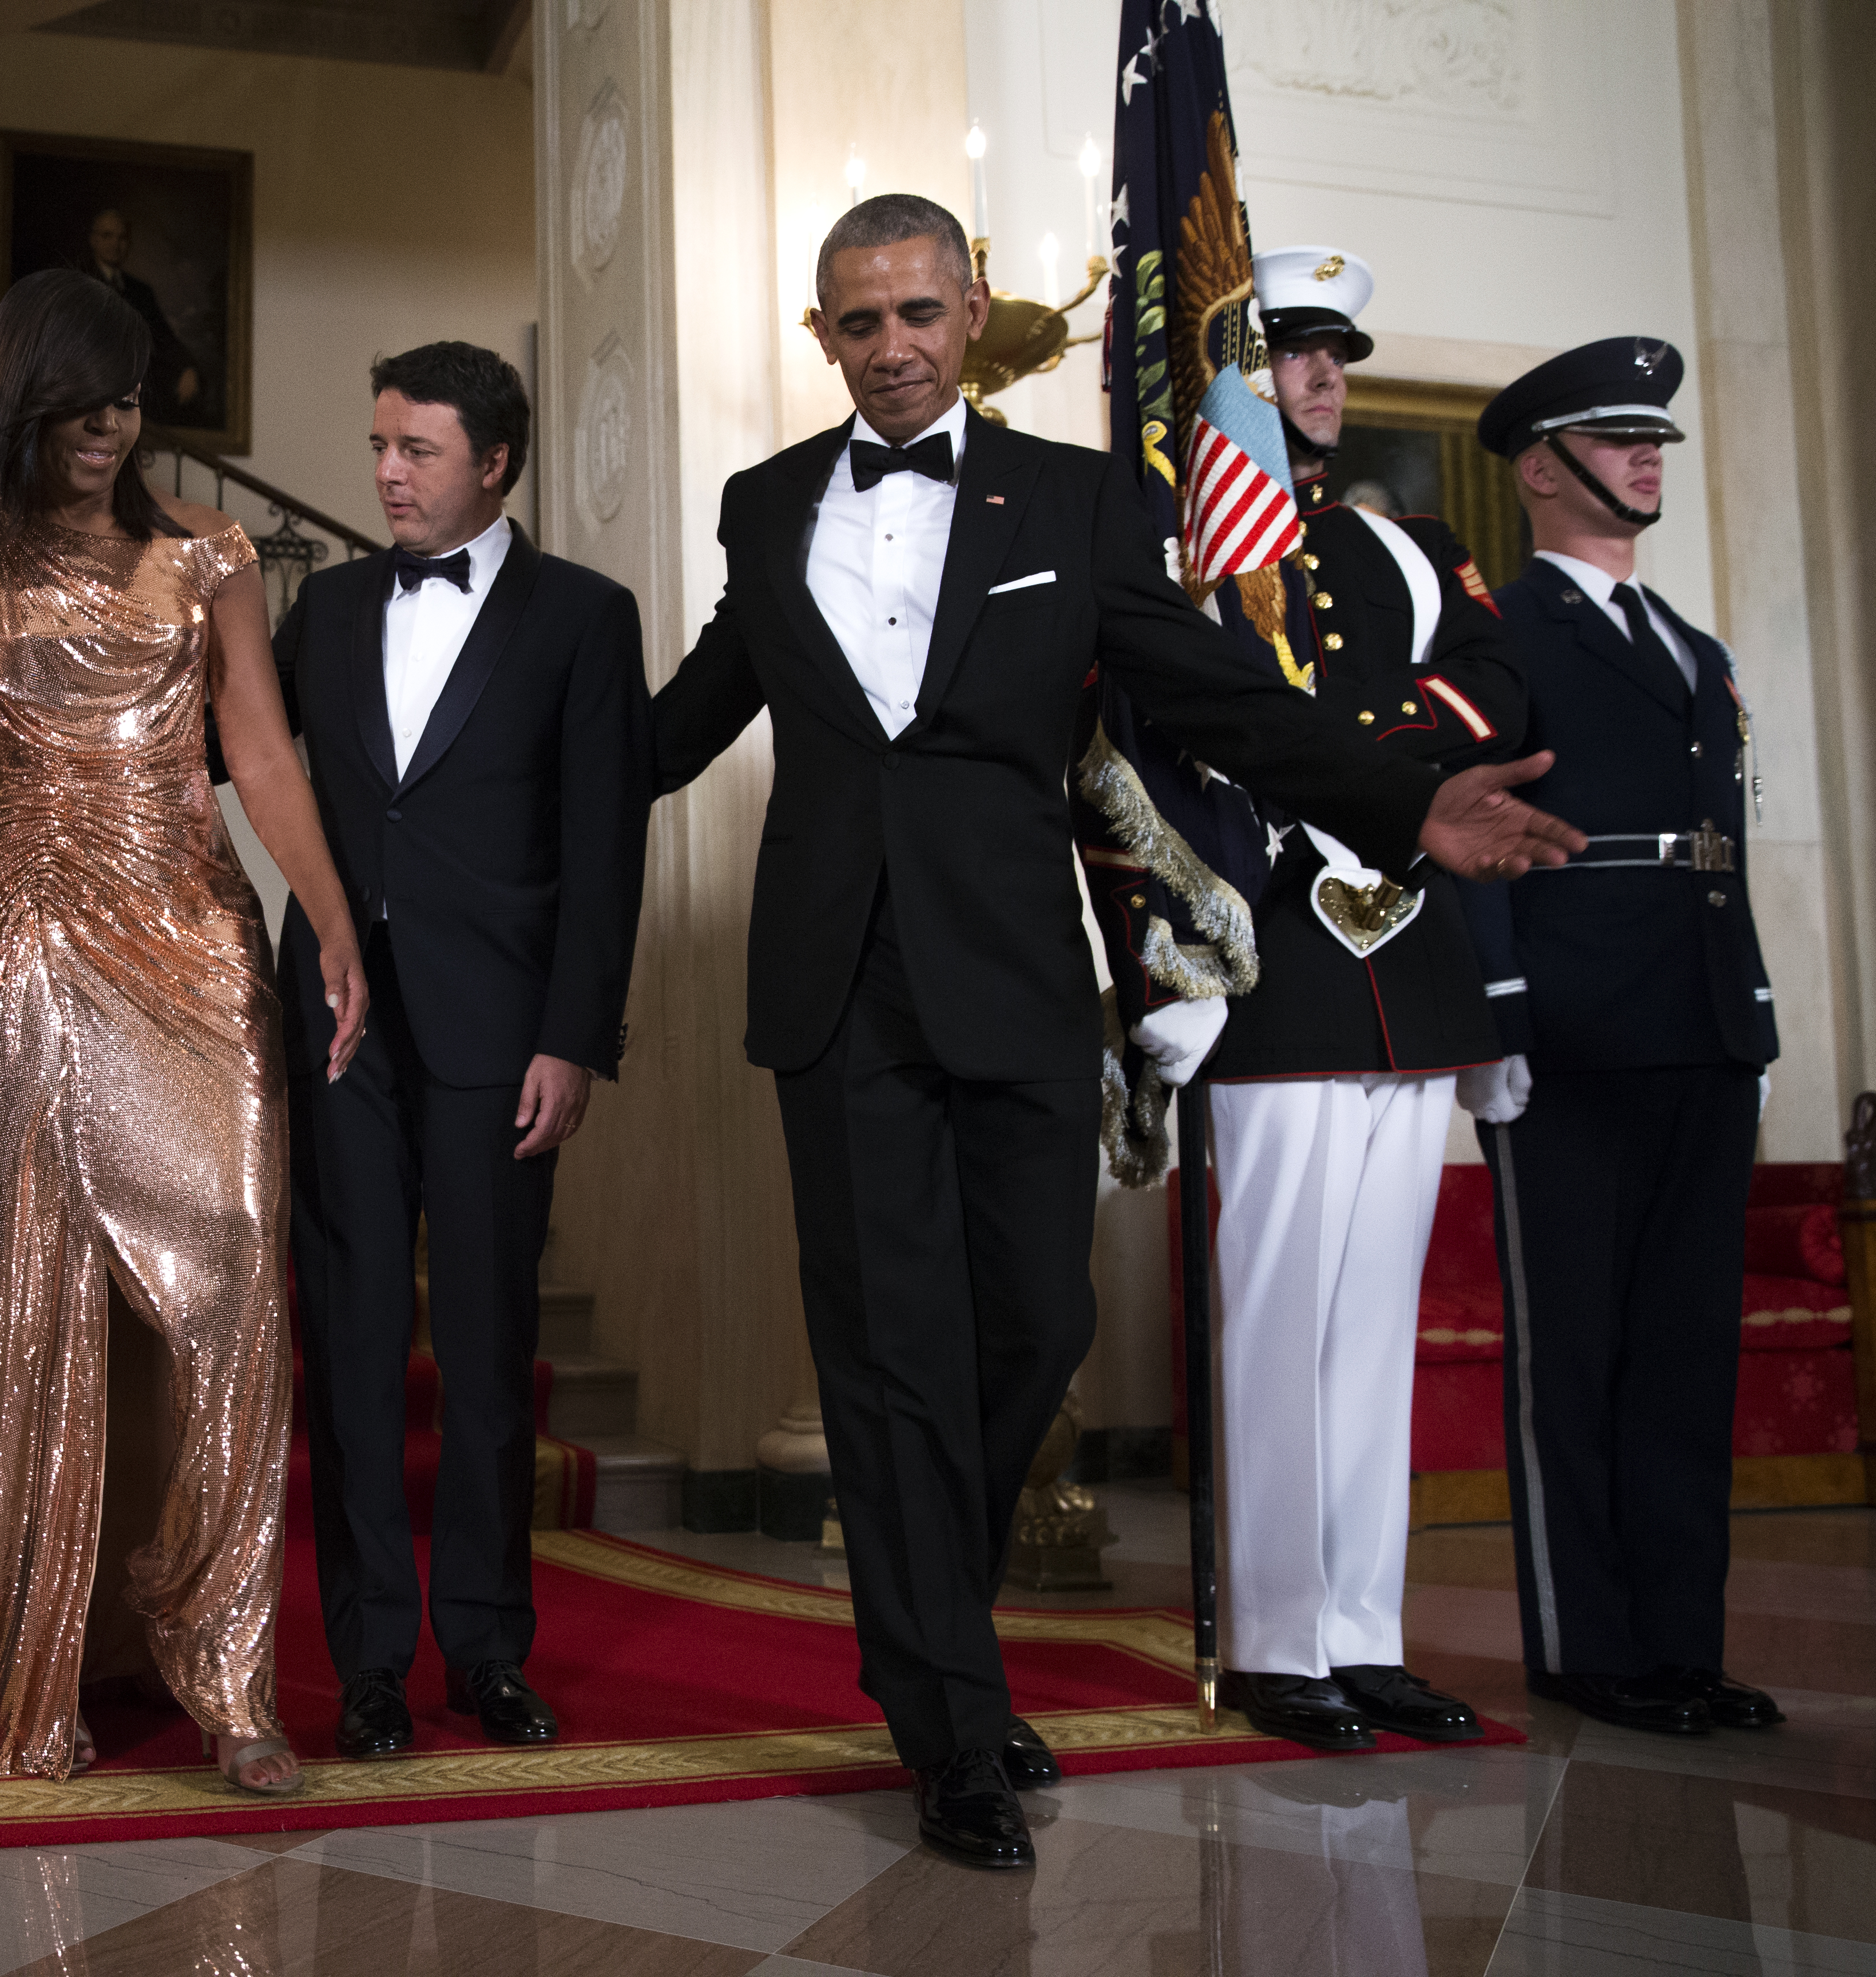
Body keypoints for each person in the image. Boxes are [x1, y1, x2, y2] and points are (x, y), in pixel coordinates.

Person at [649, 194, 1584, 1871]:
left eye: (919, 312)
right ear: (822, 338)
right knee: (888, 1362)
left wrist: (1409, 800)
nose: (893, 349)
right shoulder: (767, 503)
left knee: (1038, 1322)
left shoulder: (1073, 500)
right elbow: (685, 717)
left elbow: (1215, 699)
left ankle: (928, 1632)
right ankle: (947, 1716)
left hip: (1010, 978)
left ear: (974, 306)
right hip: (837, 985)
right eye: (857, 325)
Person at [0, 267, 368, 1795]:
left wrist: (334, 922)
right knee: (36, 1299)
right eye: (82, 398)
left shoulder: (212, 556)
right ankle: (41, 1673)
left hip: (194, 932)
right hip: (19, 933)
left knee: (224, 1280)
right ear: (22, 398)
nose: (109, 425)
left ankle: (223, 1665)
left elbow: (261, 751)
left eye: (131, 399)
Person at [1088, 247, 1519, 1752]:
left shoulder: (1411, 547)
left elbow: (1493, 695)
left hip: (1406, 962)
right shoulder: (1187, 549)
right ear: (1231, 375)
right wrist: (1372, 763)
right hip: (1273, 966)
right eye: (1288, 349)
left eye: (1337, 351)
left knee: (1373, 1326)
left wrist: (1365, 761)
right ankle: (1278, 1639)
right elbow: (1164, 731)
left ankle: (1364, 1630)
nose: (1322, 375)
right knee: (1280, 1316)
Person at [268, 344, 649, 1759]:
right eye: (378, 443)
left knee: (487, 1354)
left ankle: (486, 1646)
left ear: (494, 460)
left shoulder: (583, 617)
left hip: (505, 1035)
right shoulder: (322, 602)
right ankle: (368, 1659)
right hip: (338, 1026)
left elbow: (608, 845)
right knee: (353, 1340)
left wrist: (575, 1037)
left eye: (416, 449)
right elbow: (227, 752)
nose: (384, 472)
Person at [1457, 338, 1783, 1738]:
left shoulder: (1695, 651)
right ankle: (1588, 1643)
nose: (1646, 455)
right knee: (1576, 1353)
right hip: (1574, 1029)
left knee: (1680, 1350)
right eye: (1613, 436)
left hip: (1703, 1021)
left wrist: (1752, 1005)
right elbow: (1468, 827)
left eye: (1656, 436)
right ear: (1542, 466)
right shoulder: (1502, 637)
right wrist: (1500, 1011)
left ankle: (1679, 1640)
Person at [77, 209, 202, 424]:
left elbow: (162, 336)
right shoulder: (78, 283)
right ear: (93, 240)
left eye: (122, 238)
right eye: (108, 236)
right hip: (88, 391)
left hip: (131, 390)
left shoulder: (140, 291)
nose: (116, 244)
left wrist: (187, 367)